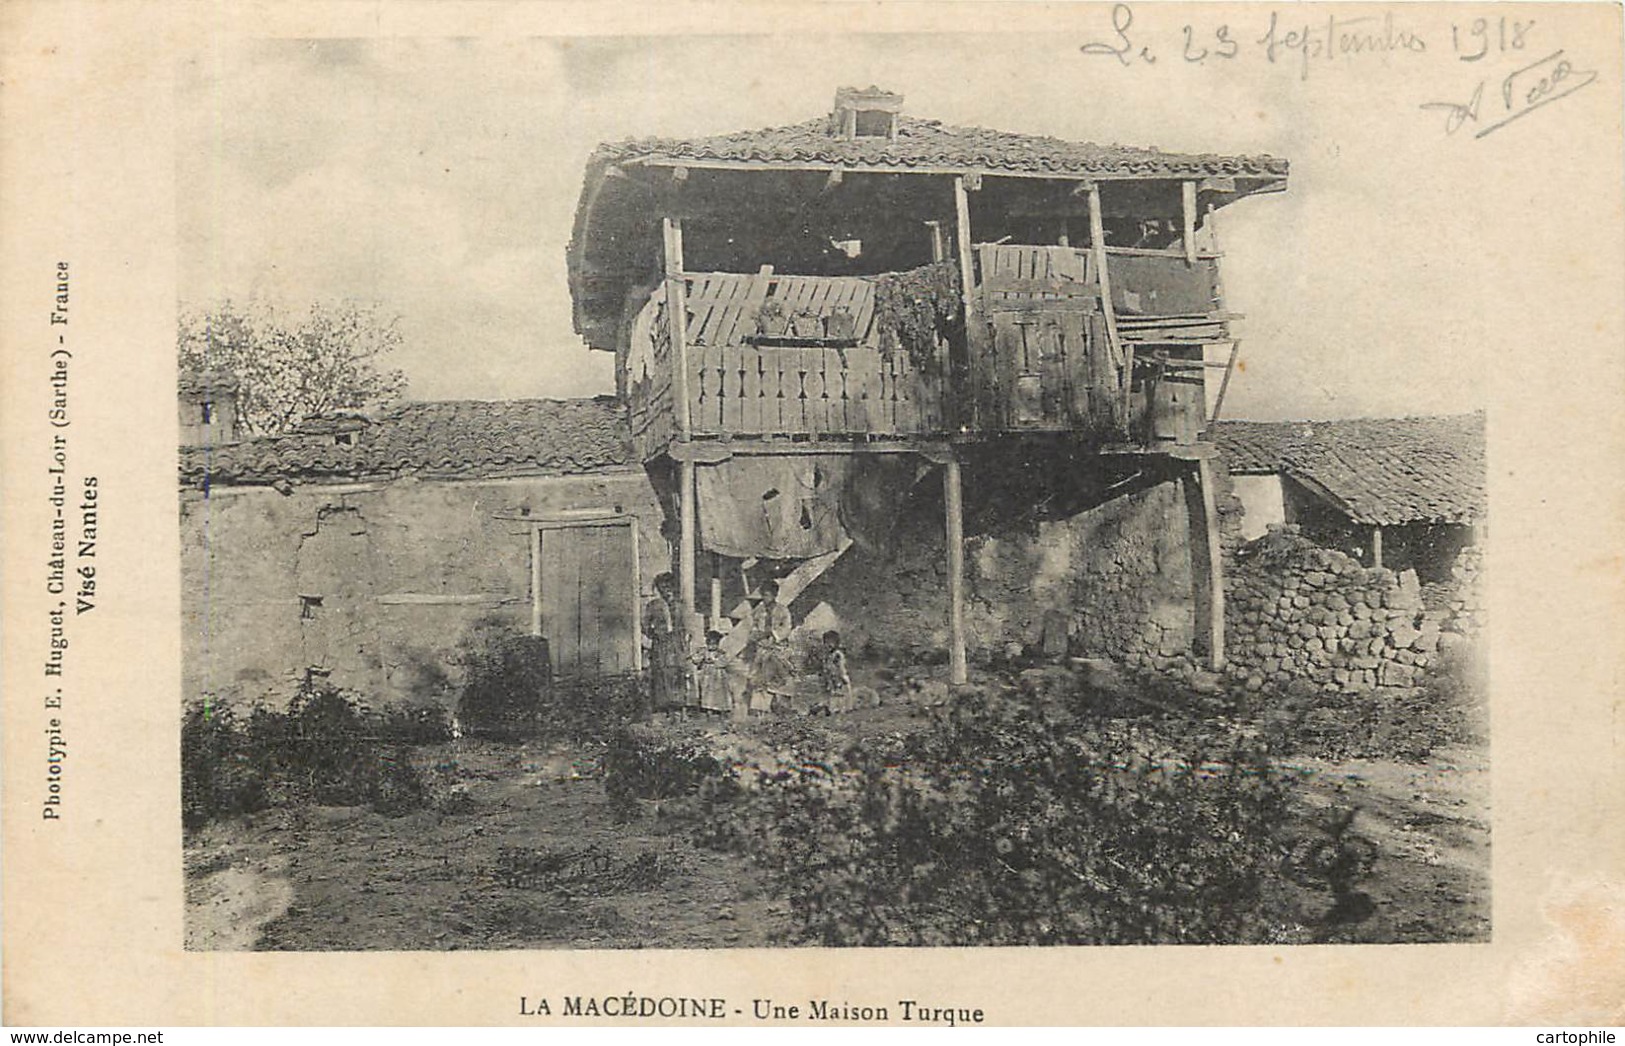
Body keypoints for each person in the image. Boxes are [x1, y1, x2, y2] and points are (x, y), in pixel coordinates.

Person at [745, 578, 794, 713]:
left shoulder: (782, 610)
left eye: (767, 595)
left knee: (780, 674)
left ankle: (782, 705)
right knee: (759, 675)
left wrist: (773, 633)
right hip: (762, 646)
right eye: (763, 595)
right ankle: (759, 707)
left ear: (774, 595)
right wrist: (756, 634)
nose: (765, 598)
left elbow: (786, 627)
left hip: (777, 646)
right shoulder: (759, 611)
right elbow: (753, 626)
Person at [642, 573, 686, 711]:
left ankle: (678, 704)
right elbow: (644, 625)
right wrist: (654, 634)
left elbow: (685, 624)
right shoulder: (653, 605)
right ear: (658, 588)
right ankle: (662, 705)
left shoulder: (679, 605)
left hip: (676, 642)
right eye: (662, 585)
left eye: (669, 585)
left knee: (677, 670)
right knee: (661, 670)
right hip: (661, 642)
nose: (666, 588)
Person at [692, 629, 734, 715]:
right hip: (707, 673)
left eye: (714, 644)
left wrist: (715, 660)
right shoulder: (703, 651)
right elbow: (696, 660)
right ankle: (708, 707)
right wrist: (698, 658)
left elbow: (724, 662)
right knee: (707, 690)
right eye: (710, 644)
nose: (712, 647)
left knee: (718, 691)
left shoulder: (720, 653)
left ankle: (720, 708)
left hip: (718, 674)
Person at [819, 629, 854, 713]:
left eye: (831, 643)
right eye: (826, 643)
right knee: (833, 692)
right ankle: (834, 708)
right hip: (831, 677)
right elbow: (826, 667)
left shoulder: (837, 655)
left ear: (836, 643)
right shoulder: (827, 655)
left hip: (839, 676)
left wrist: (841, 676)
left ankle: (844, 708)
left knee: (842, 691)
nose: (828, 645)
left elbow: (840, 667)